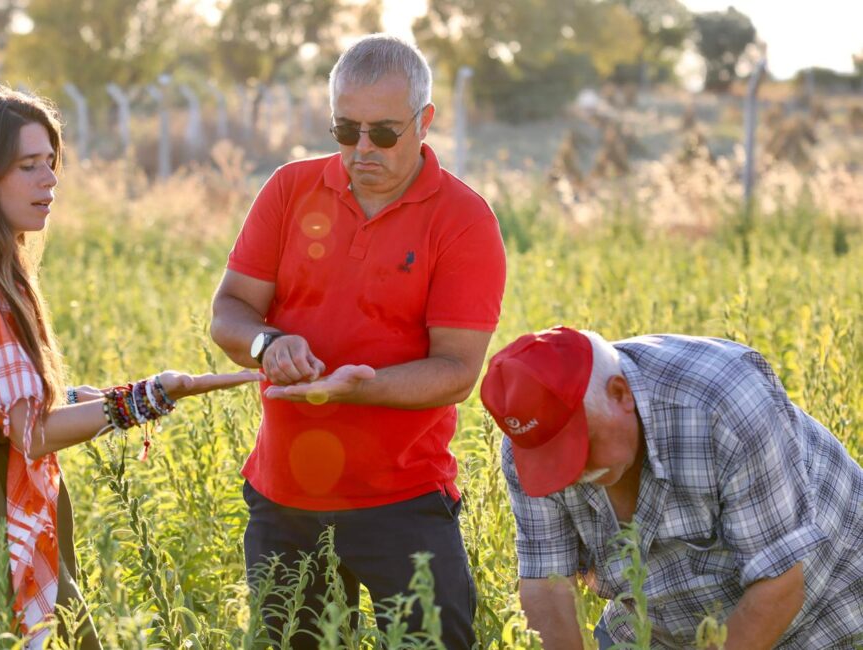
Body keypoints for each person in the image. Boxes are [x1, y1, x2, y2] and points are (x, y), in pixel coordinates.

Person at [0, 87, 260, 648]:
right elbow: (28, 433)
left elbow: (2, 415)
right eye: (28, 165)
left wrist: (118, 395)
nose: (49, 180)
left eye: (51, 163)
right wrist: (151, 397)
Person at [210, 34, 506, 648]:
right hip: (284, 496)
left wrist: (359, 389)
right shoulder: (290, 189)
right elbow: (230, 310)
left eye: (384, 132)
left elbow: (455, 370)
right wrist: (269, 345)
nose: (362, 149)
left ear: (425, 122)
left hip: (403, 498)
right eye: (346, 131)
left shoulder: (464, 220)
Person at [480, 326, 863, 649]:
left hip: (823, 607)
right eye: (554, 460)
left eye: (580, 446)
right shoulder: (527, 450)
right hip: (661, 621)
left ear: (620, 394)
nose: (574, 472)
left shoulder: (722, 402)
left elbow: (779, 586)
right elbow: (548, 588)